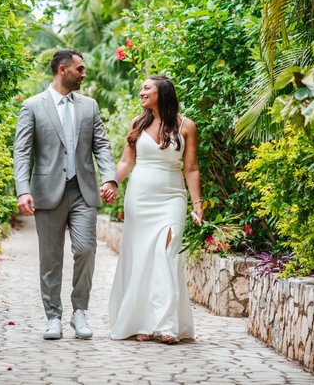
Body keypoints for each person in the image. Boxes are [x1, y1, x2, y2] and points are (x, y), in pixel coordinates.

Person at [13, 50, 118, 341]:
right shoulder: (33, 106)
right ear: (63, 69)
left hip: (83, 190)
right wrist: (22, 189)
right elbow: (22, 152)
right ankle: (53, 317)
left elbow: (102, 145)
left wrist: (109, 177)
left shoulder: (90, 106)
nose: (84, 74)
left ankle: (79, 311)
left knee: (85, 250)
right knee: (51, 258)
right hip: (47, 192)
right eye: (80, 69)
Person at [108, 75, 203, 344]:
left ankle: (167, 324)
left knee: (167, 253)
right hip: (139, 197)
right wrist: (110, 183)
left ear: (162, 92)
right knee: (141, 257)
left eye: (146, 88)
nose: (141, 92)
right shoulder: (137, 124)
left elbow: (192, 168)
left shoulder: (186, 126)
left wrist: (197, 205)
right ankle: (143, 322)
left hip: (172, 197)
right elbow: (126, 162)